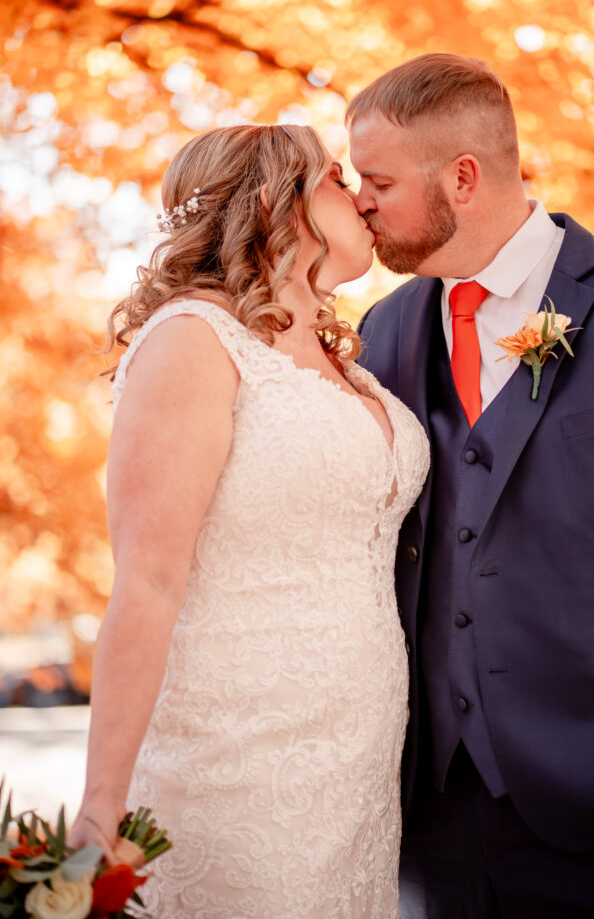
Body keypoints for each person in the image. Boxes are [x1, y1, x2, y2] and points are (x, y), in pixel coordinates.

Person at [347, 53, 594, 919]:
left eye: (377, 180)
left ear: (462, 178)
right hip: (436, 812)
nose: (359, 202)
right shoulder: (382, 331)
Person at [68, 123, 429, 919]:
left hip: (359, 763)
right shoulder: (194, 342)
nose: (361, 197)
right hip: (236, 757)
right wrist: (101, 804)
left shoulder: (345, 359)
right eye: (336, 178)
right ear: (276, 198)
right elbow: (150, 579)